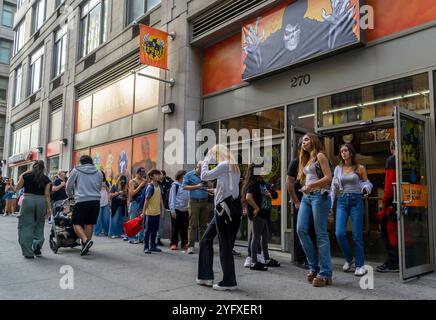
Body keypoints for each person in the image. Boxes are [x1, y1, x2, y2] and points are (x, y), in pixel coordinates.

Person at [243, 0, 357, 78]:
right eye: (288, 32)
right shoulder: (270, 44)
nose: (292, 36)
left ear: (301, 30)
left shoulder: (315, 30)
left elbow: (345, 40)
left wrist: (340, 26)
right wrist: (254, 53)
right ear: (282, 34)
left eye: (295, 30)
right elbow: (250, 71)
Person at [196, 144, 241, 291]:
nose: (213, 157)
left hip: (222, 208)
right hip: (227, 206)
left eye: (213, 154)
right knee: (208, 240)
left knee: (224, 245)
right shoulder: (233, 166)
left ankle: (229, 281)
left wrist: (205, 160)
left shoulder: (224, 164)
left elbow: (204, 176)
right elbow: (231, 189)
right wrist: (216, 190)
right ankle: (206, 277)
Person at [296, 133, 333, 287]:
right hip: (307, 197)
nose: (303, 142)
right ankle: (314, 266)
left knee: (321, 234)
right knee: (301, 229)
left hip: (319, 196)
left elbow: (328, 177)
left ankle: (325, 273)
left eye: (306, 139)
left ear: (313, 140)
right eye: (302, 141)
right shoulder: (305, 159)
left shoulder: (320, 156)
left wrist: (311, 186)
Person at [331, 143, 373, 277]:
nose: (343, 152)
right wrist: (330, 206)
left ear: (351, 152)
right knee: (339, 233)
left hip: (356, 201)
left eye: (345, 150)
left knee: (356, 235)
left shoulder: (360, 168)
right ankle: (349, 259)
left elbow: (367, 182)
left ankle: (360, 265)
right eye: (341, 151)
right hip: (342, 201)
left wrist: (366, 188)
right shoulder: (338, 169)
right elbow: (333, 188)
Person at [242, 164, 281, 271]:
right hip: (257, 214)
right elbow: (248, 197)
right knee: (256, 237)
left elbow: (273, 194)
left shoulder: (262, 183)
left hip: (263, 213)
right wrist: (256, 208)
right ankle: (254, 261)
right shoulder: (253, 184)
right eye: (261, 170)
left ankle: (266, 258)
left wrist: (269, 194)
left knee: (264, 237)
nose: (264, 171)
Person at [286, 137, 316, 269]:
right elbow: (288, 183)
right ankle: (300, 258)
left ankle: (312, 257)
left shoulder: (313, 161)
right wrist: (296, 201)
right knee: (301, 229)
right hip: (300, 199)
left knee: (311, 229)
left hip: (313, 198)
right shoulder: (295, 162)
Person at [66, 155, 103, 256]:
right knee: (89, 223)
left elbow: (68, 186)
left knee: (75, 222)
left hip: (81, 200)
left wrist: (71, 196)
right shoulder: (98, 172)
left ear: (81, 162)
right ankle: (85, 246)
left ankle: (85, 240)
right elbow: (99, 186)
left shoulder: (76, 170)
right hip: (95, 201)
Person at [15, 161, 52, 259]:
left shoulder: (26, 176)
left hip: (27, 200)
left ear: (33, 167)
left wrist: (22, 174)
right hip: (41, 201)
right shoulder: (46, 179)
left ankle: (28, 252)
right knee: (39, 225)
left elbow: (17, 188)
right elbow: (47, 195)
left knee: (26, 226)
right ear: (43, 168)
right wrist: (49, 208)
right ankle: (37, 247)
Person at [375, 141, 399, 273]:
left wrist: (383, 202)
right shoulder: (408, 160)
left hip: (392, 204)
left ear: (391, 149)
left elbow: (390, 185)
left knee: (388, 231)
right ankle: (401, 261)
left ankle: (393, 262)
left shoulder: (392, 160)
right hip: (407, 200)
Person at [183, 162, 210, 254]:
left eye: (204, 169)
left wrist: (208, 183)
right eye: (201, 168)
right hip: (193, 202)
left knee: (203, 225)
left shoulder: (206, 175)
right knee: (192, 225)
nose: (203, 170)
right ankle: (190, 246)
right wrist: (197, 186)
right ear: (196, 167)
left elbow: (210, 186)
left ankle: (203, 246)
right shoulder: (189, 175)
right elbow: (184, 187)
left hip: (205, 201)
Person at [141, 169, 165, 254]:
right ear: (151, 176)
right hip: (149, 214)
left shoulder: (159, 186)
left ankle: (153, 246)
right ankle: (146, 247)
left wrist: (162, 209)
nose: (159, 176)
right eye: (157, 174)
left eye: (159, 174)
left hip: (157, 213)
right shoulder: (150, 187)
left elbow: (160, 198)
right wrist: (143, 213)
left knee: (155, 230)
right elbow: (146, 201)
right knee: (147, 231)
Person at [169, 170, 190, 250]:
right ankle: (174, 243)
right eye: (184, 177)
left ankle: (184, 243)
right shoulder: (175, 185)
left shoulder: (187, 185)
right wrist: (172, 210)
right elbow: (172, 198)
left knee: (184, 228)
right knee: (175, 228)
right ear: (180, 177)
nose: (185, 179)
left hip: (185, 210)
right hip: (176, 210)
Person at [128, 167, 148, 243]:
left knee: (141, 221)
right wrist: (141, 185)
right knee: (133, 220)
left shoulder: (144, 181)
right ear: (137, 173)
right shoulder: (132, 181)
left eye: (143, 174)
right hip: (134, 203)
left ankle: (141, 237)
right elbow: (132, 193)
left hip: (142, 203)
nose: (142, 175)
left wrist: (145, 184)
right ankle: (132, 238)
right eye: (140, 174)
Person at [157, 170, 174, 246]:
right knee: (156, 222)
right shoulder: (156, 183)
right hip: (156, 204)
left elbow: (173, 184)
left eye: (161, 174)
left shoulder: (167, 183)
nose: (159, 176)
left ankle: (158, 239)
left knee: (161, 223)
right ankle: (154, 238)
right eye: (158, 174)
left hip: (164, 205)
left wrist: (168, 178)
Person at [94, 171, 111, 237]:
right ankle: (97, 232)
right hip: (98, 201)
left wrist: (106, 186)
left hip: (106, 201)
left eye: (102, 175)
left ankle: (106, 232)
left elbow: (109, 191)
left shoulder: (106, 182)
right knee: (98, 218)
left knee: (106, 218)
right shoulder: (94, 182)